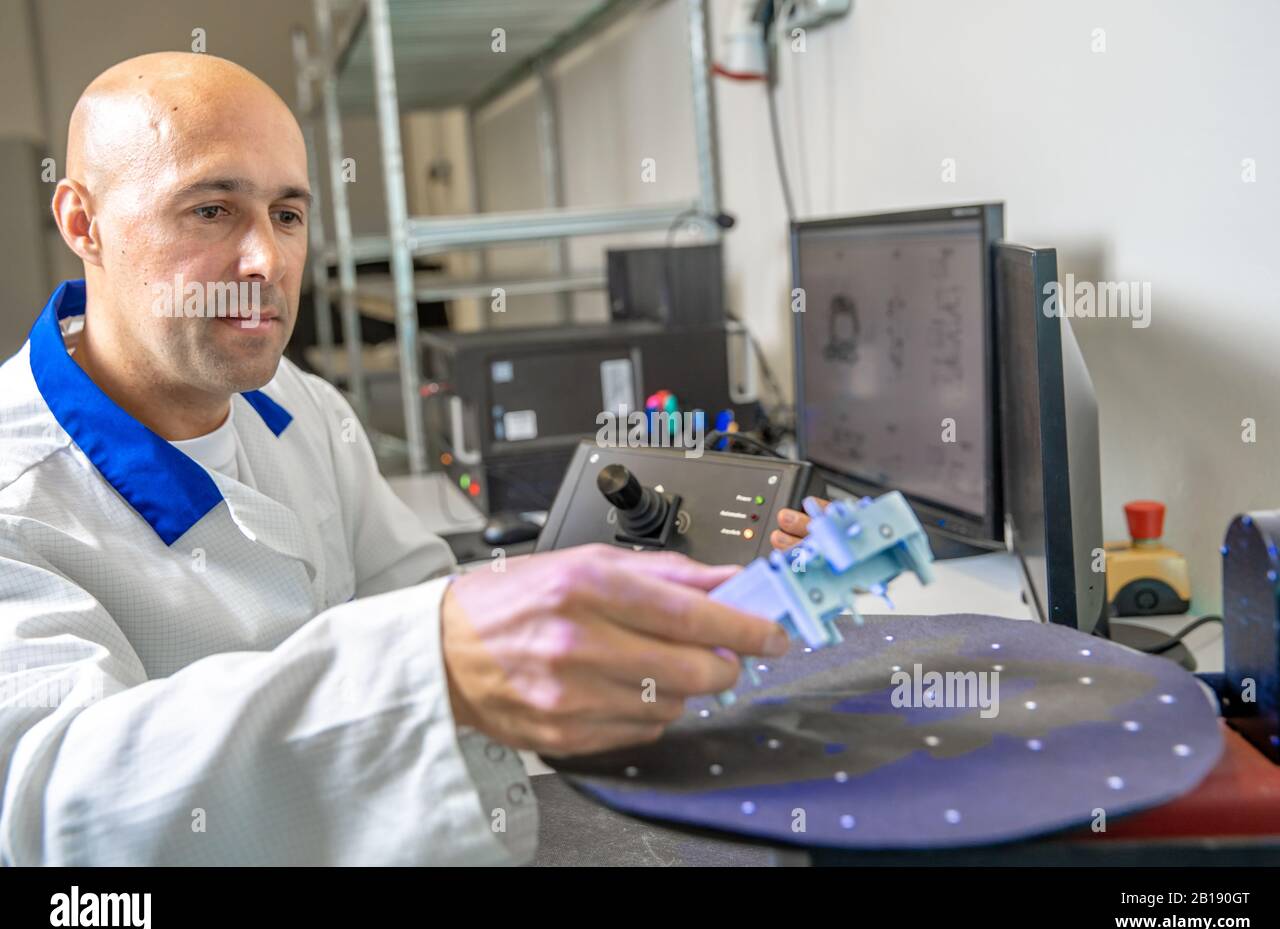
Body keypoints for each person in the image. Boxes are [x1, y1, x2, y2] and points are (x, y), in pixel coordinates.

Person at [0, 52, 790, 866]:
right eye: (210, 210)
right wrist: (429, 667)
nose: (266, 262)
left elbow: (411, 595)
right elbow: (53, 809)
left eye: (288, 215)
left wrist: (659, 569)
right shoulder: (15, 496)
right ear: (82, 221)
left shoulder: (299, 404)